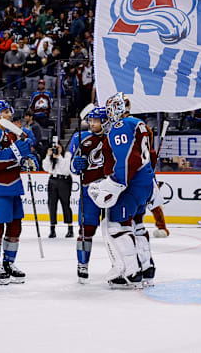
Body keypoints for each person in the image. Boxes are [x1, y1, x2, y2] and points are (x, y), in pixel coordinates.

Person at [89, 92, 155, 288]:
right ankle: (147, 268)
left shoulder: (120, 126)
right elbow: (148, 154)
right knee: (138, 224)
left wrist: (116, 183)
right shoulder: (139, 124)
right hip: (145, 181)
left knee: (117, 226)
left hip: (131, 185)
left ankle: (132, 272)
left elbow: (128, 159)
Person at [0, 100, 37, 285]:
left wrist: (29, 157)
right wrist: (20, 152)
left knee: (15, 225)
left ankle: (8, 263)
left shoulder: (11, 134)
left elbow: (17, 155)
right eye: (5, 111)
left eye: (9, 111)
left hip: (13, 185)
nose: (9, 114)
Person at [70, 107, 109, 283]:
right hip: (89, 190)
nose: (92, 123)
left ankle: (119, 264)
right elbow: (71, 167)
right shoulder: (81, 138)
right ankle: (82, 264)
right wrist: (75, 165)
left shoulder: (113, 137)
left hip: (111, 190)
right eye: (90, 120)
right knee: (86, 229)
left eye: (95, 120)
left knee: (115, 230)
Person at [43, 137, 73, 238]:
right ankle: (52, 229)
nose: (56, 149)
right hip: (53, 180)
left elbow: (65, 169)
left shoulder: (67, 155)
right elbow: (46, 168)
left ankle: (70, 228)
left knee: (65, 204)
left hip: (64, 180)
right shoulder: (51, 157)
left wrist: (59, 156)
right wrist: (48, 156)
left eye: (58, 147)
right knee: (52, 204)